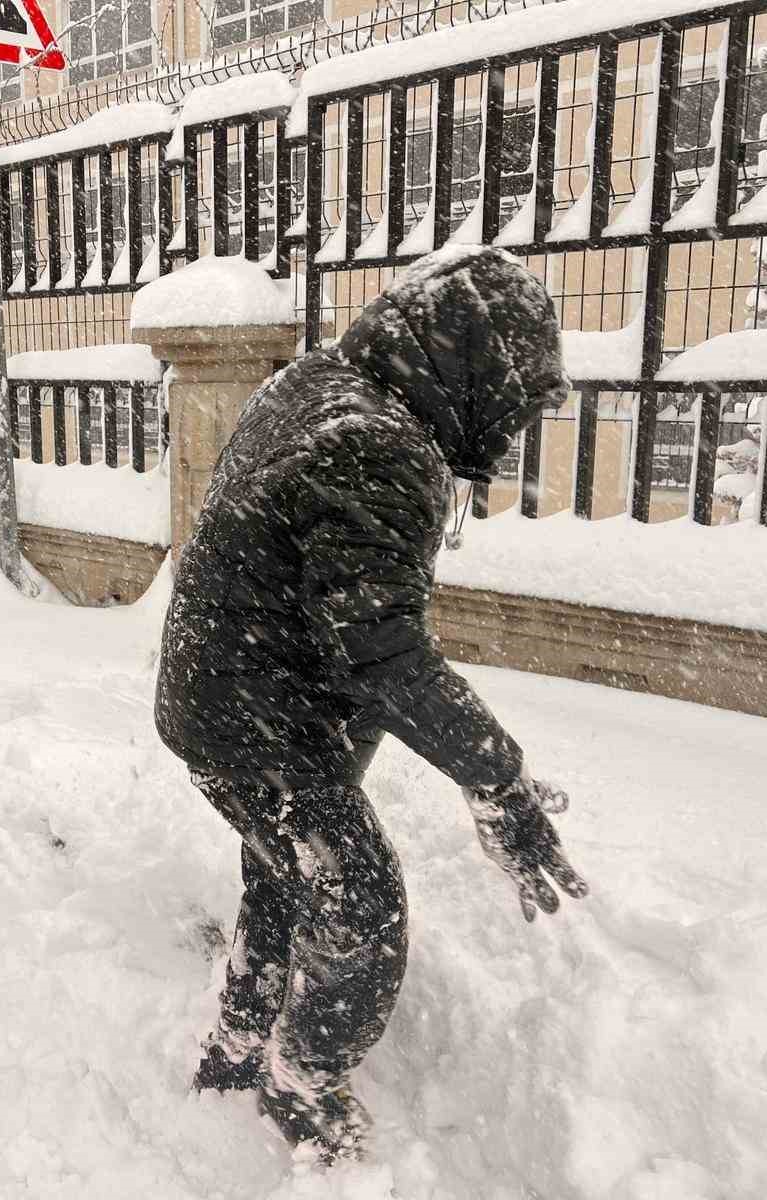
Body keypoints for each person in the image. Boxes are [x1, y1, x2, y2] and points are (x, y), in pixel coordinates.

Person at [156, 246, 588, 1163]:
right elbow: (383, 655)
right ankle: (300, 1084)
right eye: (512, 401)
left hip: (231, 692)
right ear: (470, 365)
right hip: (258, 712)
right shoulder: (375, 441)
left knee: (289, 873)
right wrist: (499, 783)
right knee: (363, 905)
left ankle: (238, 1046)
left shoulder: (328, 383)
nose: (512, 432)